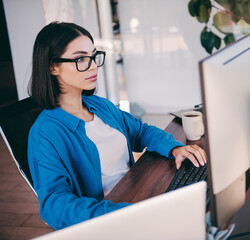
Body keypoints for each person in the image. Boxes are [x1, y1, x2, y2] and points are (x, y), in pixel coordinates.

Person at [27, 21, 206, 230]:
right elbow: (54, 205)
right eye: (81, 59)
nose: (93, 65)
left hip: (137, 195)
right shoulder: (45, 133)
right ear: (52, 66)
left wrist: (174, 148)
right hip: (113, 219)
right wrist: (123, 213)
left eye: (93, 56)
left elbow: (140, 131)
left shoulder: (98, 105)